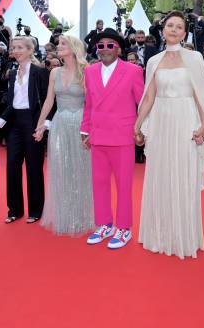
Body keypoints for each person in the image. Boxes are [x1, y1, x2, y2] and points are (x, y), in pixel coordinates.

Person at [135, 11, 204, 259]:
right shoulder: (153, 61)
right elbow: (149, 96)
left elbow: (201, 94)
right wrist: (138, 125)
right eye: (170, 25)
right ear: (162, 29)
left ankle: (183, 237)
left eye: (179, 27)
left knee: (183, 175)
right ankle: (159, 234)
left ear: (185, 32)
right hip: (160, 120)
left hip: (185, 119)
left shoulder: (195, 58)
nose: (174, 30)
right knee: (160, 173)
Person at [80, 28, 144, 249]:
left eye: (110, 45)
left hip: (123, 137)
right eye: (100, 45)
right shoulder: (90, 72)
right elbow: (88, 104)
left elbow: (141, 103)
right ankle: (104, 224)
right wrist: (85, 130)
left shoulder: (133, 71)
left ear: (118, 49)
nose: (104, 49)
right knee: (99, 184)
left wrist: (141, 130)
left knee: (124, 185)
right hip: (98, 136)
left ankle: (124, 228)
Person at [35, 35, 94, 235]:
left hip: (80, 126)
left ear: (74, 47)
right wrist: (40, 124)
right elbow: (49, 100)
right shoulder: (54, 72)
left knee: (80, 169)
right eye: (58, 44)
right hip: (59, 124)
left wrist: (90, 129)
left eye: (62, 43)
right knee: (61, 168)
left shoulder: (86, 71)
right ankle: (65, 215)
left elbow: (91, 103)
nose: (58, 46)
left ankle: (81, 216)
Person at [0, 36, 48, 224]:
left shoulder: (40, 72)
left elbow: (49, 102)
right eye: (13, 47)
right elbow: (11, 103)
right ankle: (14, 209)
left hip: (33, 123)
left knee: (33, 168)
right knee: (12, 167)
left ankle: (36, 210)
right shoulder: (13, 73)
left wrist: (44, 125)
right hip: (14, 124)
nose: (15, 51)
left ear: (30, 50)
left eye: (20, 47)